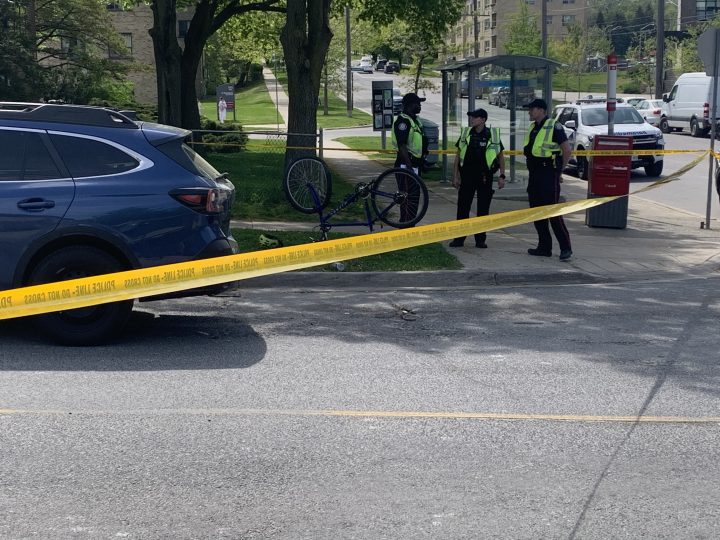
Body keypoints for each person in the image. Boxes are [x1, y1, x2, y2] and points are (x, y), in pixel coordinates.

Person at [523, 98, 573, 261]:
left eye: (532, 109)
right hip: (535, 175)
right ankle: (544, 247)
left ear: (541, 110)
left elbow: (566, 149)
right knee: (536, 212)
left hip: (548, 174)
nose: (529, 112)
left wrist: (560, 171)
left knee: (553, 212)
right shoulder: (533, 127)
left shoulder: (554, 126)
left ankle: (565, 248)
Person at [449, 108, 506, 248]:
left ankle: (480, 240)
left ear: (483, 120)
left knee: (483, 209)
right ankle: (459, 239)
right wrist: (455, 176)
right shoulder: (466, 133)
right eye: (471, 117)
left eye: (474, 117)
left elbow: (501, 157)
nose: (472, 119)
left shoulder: (492, 135)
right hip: (467, 176)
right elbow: (458, 156)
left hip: (485, 177)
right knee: (463, 207)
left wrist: (502, 176)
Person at [391, 92, 428, 223]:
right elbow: (402, 145)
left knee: (413, 198)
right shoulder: (403, 121)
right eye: (417, 104)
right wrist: (409, 166)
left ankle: (410, 225)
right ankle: (405, 226)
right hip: (406, 166)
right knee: (406, 198)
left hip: (415, 165)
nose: (419, 106)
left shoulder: (415, 121)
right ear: (409, 105)